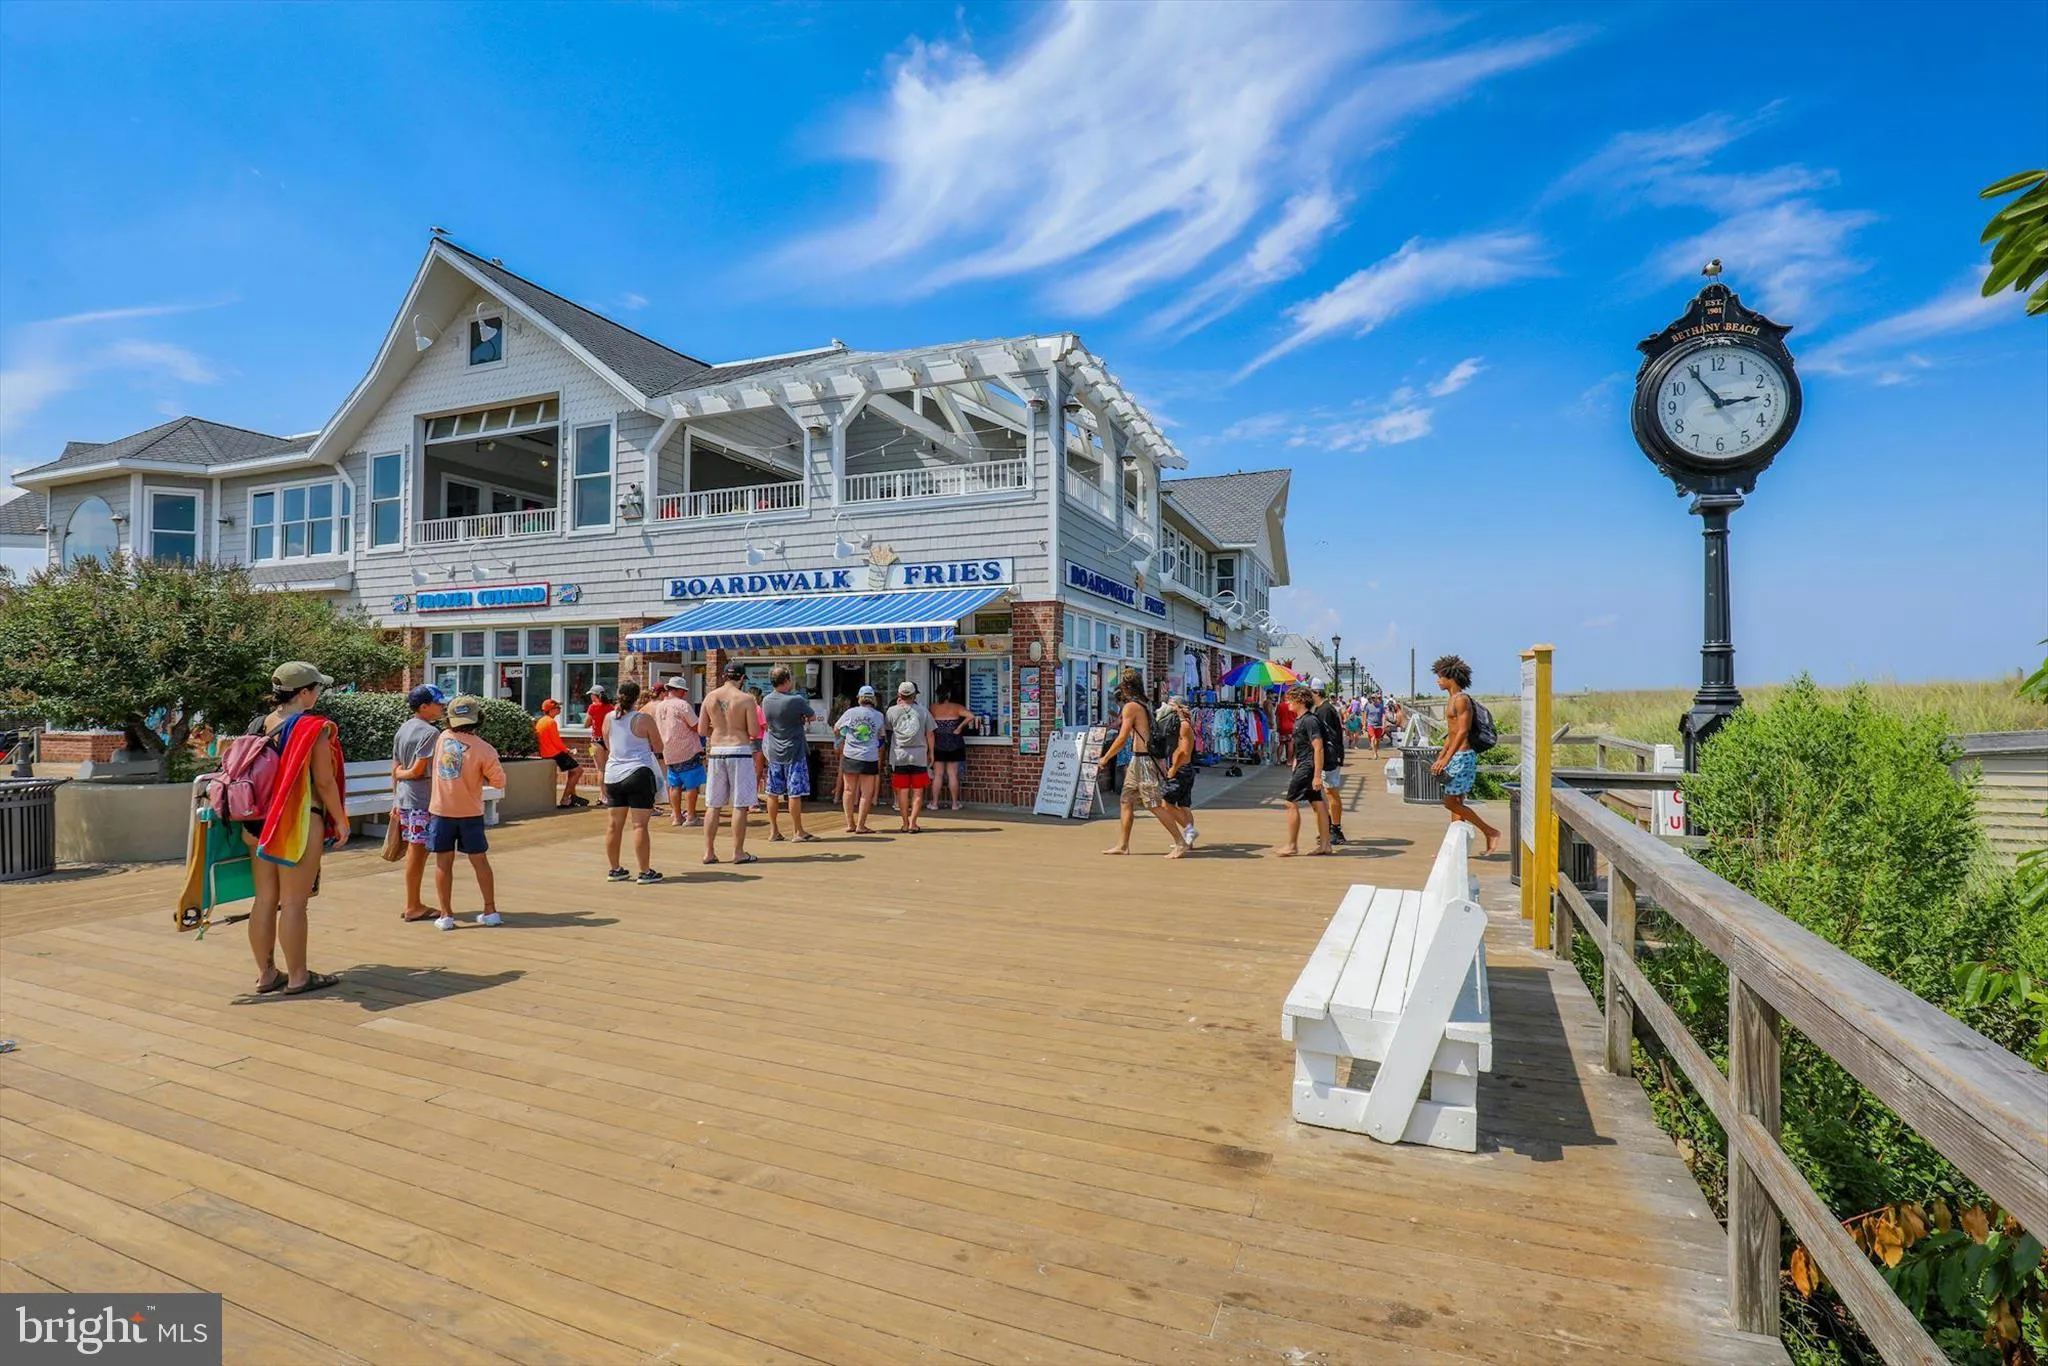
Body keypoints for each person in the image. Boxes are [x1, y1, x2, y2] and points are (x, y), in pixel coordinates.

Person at [242, 661, 347, 995]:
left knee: (264, 900)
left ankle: (266, 974)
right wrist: (341, 820)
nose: (319, 694)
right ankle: (299, 976)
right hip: (296, 823)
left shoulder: (259, 724)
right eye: (317, 688)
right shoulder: (313, 728)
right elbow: (325, 782)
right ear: (303, 692)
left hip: (257, 822)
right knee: (293, 902)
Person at [428, 694, 507, 928]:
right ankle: (490, 910)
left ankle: (446, 915)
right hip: (470, 813)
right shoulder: (485, 749)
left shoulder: (442, 738)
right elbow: (499, 782)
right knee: (480, 861)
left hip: (441, 811)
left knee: (443, 863)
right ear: (478, 718)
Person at [1097, 668, 1187, 858]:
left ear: (1126, 687)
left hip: (1144, 760)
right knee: (1126, 800)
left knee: (1154, 804)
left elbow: (1122, 737)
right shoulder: (1144, 703)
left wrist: (1105, 758)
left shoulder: (1131, 707)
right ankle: (1123, 845)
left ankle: (1181, 842)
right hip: (1137, 760)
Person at [1430, 654, 1502, 855]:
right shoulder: (1451, 700)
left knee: (1450, 802)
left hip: (1462, 757)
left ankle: (1490, 831)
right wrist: (1442, 755)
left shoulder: (1461, 700)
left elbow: (1462, 731)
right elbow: (1451, 733)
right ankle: (1456, 849)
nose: (1437, 681)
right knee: (1456, 803)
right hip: (1455, 756)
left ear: (1451, 677)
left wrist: (1447, 758)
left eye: (1440, 677)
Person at [600, 680, 665, 883]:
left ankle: (615, 869)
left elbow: (608, 744)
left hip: (613, 775)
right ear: (637, 697)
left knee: (614, 825)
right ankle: (645, 872)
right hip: (638, 773)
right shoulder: (643, 719)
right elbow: (659, 746)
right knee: (639, 826)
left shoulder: (609, 717)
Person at [698, 663, 762, 865]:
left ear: (724, 676)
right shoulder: (746, 699)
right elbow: (754, 731)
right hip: (739, 750)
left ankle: (708, 852)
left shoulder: (710, 697)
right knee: (740, 804)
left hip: (717, 750)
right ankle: (738, 852)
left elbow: (701, 730)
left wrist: (719, 729)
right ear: (741, 678)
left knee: (713, 805)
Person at [392, 684, 446, 923]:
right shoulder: (431, 733)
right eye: (438, 703)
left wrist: (396, 795)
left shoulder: (403, 728)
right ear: (424, 707)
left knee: (416, 850)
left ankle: (413, 902)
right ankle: (413, 904)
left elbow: (395, 767)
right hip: (421, 798)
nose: (442, 706)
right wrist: (404, 774)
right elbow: (416, 770)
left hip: (405, 797)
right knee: (417, 851)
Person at [762, 665, 819, 842]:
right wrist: (801, 719)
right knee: (794, 793)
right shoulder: (796, 700)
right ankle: (798, 831)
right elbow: (812, 716)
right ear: (787, 680)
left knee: (772, 792)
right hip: (794, 751)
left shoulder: (766, 700)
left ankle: (774, 831)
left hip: (774, 752)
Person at [1276, 686, 1330, 857]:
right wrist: (1295, 761)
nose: (1288, 703)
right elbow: (1303, 745)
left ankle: (1292, 845)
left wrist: (1317, 776)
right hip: (1304, 764)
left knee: (1290, 802)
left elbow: (1318, 748)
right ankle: (1325, 845)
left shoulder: (1309, 721)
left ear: (1300, 701)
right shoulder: (1300, 720)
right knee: (1317, 803)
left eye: (1290, 700)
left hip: (1308, 767)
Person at [884, 680, 935, 833]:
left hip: (899, 754)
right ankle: (913, 823)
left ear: (899, 695)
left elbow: (887, 730)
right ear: (914, 695)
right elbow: (930, 734)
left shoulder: (891, 711)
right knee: (918, 791)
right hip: (919, 755)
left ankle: (905, 823)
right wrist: (931, 752)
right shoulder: (923, 711)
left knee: (902, 790)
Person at [652, 678, 704, 826]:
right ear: (679, 690)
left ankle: (677, 816)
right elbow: (696, 726)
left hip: (669, 750)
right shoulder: (682, 705)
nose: (685, 693)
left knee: (675, 785)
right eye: (684, 691)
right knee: (692, 785)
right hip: (687, 750)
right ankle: (691, 816)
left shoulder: (660, 707)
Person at [834, 685, 886, 834]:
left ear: (859, 698)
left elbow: (836, 728)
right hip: (869, 756)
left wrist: (844, 736)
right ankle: (861, 825)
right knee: (866, 793)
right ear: (873, 699)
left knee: (848, 790)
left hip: (850, 755)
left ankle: (850, 823)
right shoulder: (879, 715)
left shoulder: (850, 712)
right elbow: (881, 736)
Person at [1158, 693, 1199, 850]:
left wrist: (1173, 769)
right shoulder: (1182, 724)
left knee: (1165, 803)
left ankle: (1189, 832)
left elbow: (1183, 752)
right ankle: (1189, 841)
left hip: (1181, 770)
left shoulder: (1184, 726)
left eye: (1171, 706)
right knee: (1184, 805)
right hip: (1185, 769)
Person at [1312, 680, 1350, 846]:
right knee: (1325, 793)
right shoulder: (1323, 709)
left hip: (1329, 757)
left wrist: (1330, 757)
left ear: (1316, 692)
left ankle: (1336, 829)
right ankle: (1328, 827)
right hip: (1330, 756)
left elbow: (1329, 736)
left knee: (1331, 792)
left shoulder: (1325, 710)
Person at [928, 689, 978, 812]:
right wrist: (959, 727)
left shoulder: (933, 708)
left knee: (938, 775)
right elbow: (971, 716)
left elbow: (929, 726)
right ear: (949, 695)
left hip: (938, 742)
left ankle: (934, 803)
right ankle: (955, 804)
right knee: (952, 774)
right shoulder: (956, 707)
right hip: (954, 742)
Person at [535, 699, 587, 808]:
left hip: (546, 753)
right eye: (557, 707)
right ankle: (565, 799)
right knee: (578, 771)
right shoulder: (551, 722)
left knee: (572, 771)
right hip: (554, 753)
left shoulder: (541, 721)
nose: (560, 709)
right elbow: (556, 742)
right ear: (551, 710)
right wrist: (568, 750)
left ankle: (573, 796)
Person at [585, 685, 614, 806]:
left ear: (594, 695)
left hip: (596, 740)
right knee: (608, 768)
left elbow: (586, 724)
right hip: (609, 740)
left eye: (591, 695)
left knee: (600, 769)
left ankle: (603, 796)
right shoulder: (611, 707)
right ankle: (610, 795)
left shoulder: (592, 707)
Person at [1364, 693, 1387, 759]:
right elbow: (1365, 715)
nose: (1373, 699)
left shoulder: (1381, 706)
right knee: (1373, 738)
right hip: (1370, 724)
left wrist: (1383, 724)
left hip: (1379, 725)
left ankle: (1376, 751)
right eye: (1372, 698)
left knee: (1378, 740)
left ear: (1377, 698)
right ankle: (1374, 754)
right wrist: (1364, 725)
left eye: (1374, 698)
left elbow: (1383, 715)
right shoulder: (1368, 706)